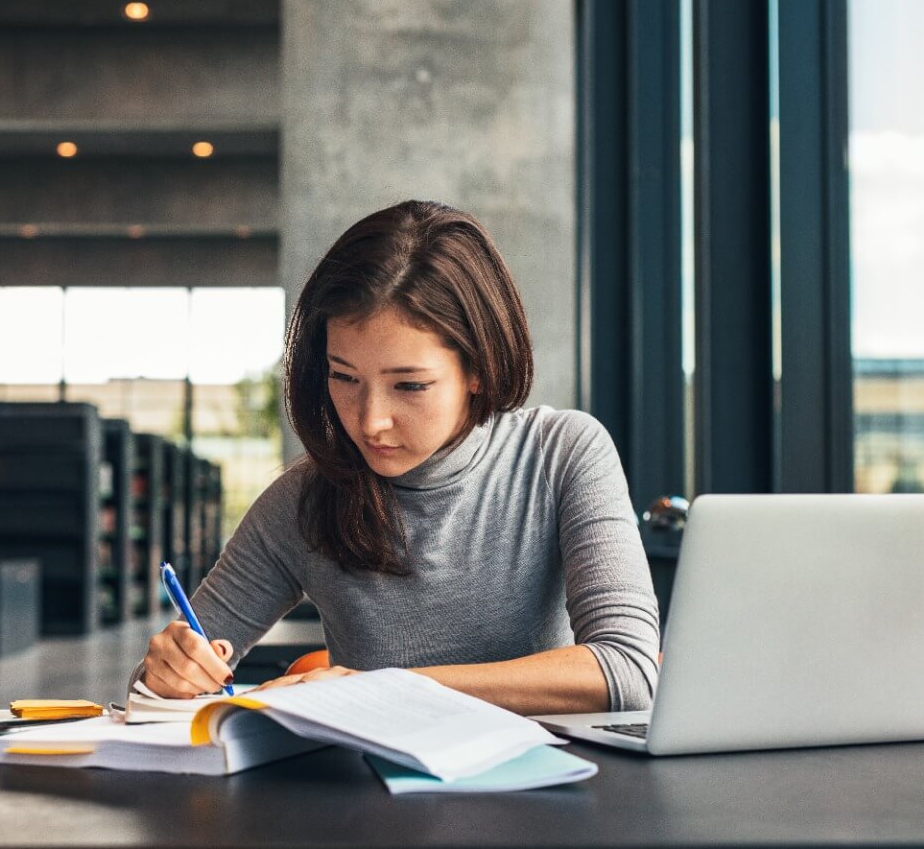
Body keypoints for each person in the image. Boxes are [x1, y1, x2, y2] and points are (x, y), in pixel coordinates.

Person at [137, 200, 660, 715]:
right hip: (375, 796)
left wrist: (382, 688)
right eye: (344, 378)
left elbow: (628, 670)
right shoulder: (301, 501)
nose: (370, 421)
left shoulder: (561, 454)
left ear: (478, 368)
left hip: (550, 789)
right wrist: (165, 675)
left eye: (409, 385)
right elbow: (153, 691)